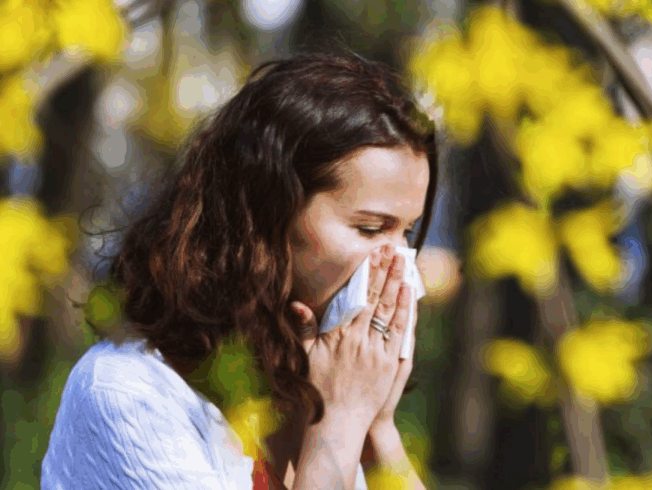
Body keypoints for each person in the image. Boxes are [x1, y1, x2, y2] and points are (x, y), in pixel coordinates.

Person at [41, 51, 438, 490]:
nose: (400, 267)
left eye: (408, 233)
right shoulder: (129, 395)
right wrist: (339, 424)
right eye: (370, 228)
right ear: (267, 214)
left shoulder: (317, 388)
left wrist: (377, 429)